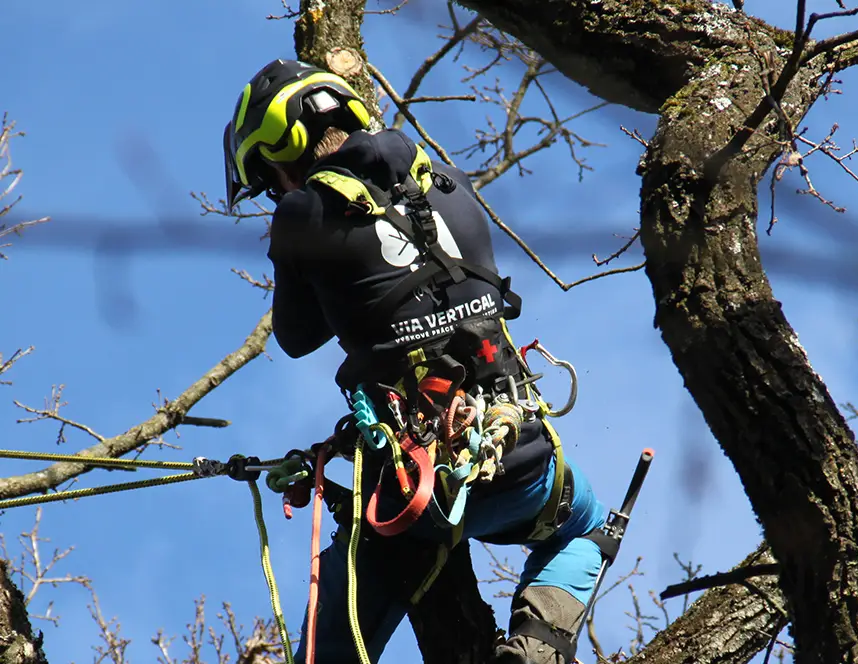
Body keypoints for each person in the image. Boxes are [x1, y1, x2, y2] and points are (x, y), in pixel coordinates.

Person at [223, 58, 608, 664]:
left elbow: (295, 336)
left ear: (284, 147)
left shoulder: (301, 214)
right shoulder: (449, 180)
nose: (278, 191)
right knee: (588, 527)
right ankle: (537, 649)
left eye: (271, 178)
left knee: (331, 647)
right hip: (524, 458)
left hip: (415, 493)